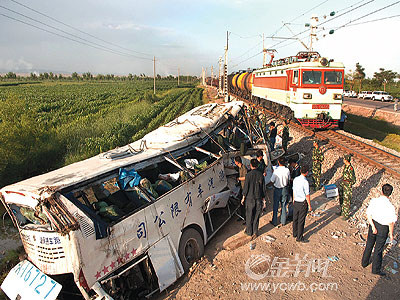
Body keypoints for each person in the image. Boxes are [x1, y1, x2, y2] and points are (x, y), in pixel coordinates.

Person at [361, 184, 397, 276]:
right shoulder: (391, 207)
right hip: (383, 229)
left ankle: (364, 263)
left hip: (373, 224)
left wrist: (373, 226)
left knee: (369, 244)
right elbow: (391, 223)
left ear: (382, 191)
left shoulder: (374, 201)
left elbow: (368, 214)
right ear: (390, 194)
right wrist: (391, 235)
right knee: (378, 250)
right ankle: (375, 270)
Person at [242, 159, 266, 238]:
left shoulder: (248, 175)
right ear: (257, 165)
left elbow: (246, 188)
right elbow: (263, 188)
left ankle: (249, 232)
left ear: (251, 165)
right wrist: (263, 199)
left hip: (250, 198)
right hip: (258, 198)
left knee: (249, 215)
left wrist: (243, 198)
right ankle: (255, 231)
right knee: (256, 216)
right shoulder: (261, 175)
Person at [292, 165, 312, 243]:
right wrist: (309, 205)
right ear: (307, 173)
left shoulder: (296, 179)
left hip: (296, 201)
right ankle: (299, 237)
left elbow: (294, 190)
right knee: (301, 220)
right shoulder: (305, 182)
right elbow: (307, 195)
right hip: (302, 203)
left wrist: (293, 199)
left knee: (295, 218)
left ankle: (295, 233)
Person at [269, 157, 290, 226]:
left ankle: (274, 221)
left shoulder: (276, 171)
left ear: (278, 162)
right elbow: (289, 179)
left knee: (276, 205)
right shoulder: (287, 170)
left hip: (277, 189)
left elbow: (272, 181)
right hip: (285, 189)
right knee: (283, 205)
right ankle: (283, 221)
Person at [338, 154, 356, 220]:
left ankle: (346, 215)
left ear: (346, 160)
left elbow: (353, 180)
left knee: (346, 200)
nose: (343, 160)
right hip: (343, 185)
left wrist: (348, 184)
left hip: (347, 186)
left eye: (344, 159)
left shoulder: (350, 168)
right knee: (342, 199)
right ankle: (342, 212)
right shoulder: (345, 166)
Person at [234, 156, 247, 221]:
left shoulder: (243, 168)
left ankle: (245, 217)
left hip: (244, 187)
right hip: (241, 187)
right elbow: (233, 167)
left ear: (237, 162)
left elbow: (246, 177)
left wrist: (239, 178)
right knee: (240, 202)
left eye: (235, 161)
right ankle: (242, 215)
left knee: (244, 203)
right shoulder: (239, 168)